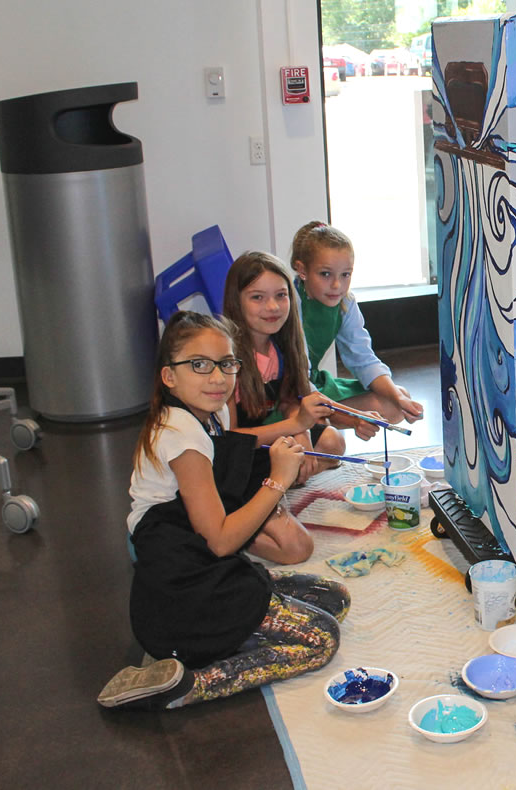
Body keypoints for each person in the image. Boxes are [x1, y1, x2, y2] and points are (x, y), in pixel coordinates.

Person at [97, 311, 350, 710]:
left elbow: (233, 440)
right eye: (199, 365)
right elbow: (220, 540)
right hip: (184, 592)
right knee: (323, 639)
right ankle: (186, 683)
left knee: (333, 597)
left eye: (227, 364)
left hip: (202, 569)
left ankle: (201, 648)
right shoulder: (182, 439)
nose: (217, 377)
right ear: (169, 376)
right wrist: (277, 481)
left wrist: (293, 423)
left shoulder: (201, 414)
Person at [222, 251, 381, 494]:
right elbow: (231, 441)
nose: (273, 307)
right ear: (236, 301)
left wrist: (303, 434)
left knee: (333, 442)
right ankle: (279, 481)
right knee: (285, 462)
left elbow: (288, 400)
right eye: (257, 297)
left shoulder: (281, 345)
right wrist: (296, 426)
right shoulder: (227, 359)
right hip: (237, 451)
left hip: (270, 437)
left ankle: (288, 477)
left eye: (281, 295)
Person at [289, 222, 425, 426]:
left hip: (315, 386)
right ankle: (316, 429)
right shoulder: (290, 302)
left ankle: (324, 424)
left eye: (345, 275)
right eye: (325, 274)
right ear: (302, 270)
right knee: (330, 440)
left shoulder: (345, 303)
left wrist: (399, 399)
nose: (337, 285)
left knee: (397, 402)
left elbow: (363, 360)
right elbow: (299, 381)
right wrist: (352, 419)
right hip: (290, 394)